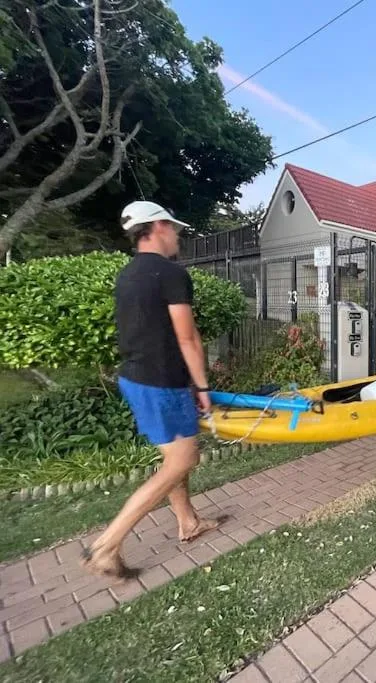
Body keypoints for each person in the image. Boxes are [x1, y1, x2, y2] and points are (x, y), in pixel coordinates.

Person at [81, 201, 222, 579]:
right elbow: (187, 337)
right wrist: (202, 386)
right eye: (174, 228)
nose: (177, 235)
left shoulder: (127, 274)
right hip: (162, 383)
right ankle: (106, 547)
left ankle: (188, 522)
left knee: (175, 455)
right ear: (158, 227)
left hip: (134, 378)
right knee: (183, 461)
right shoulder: (171, 274)